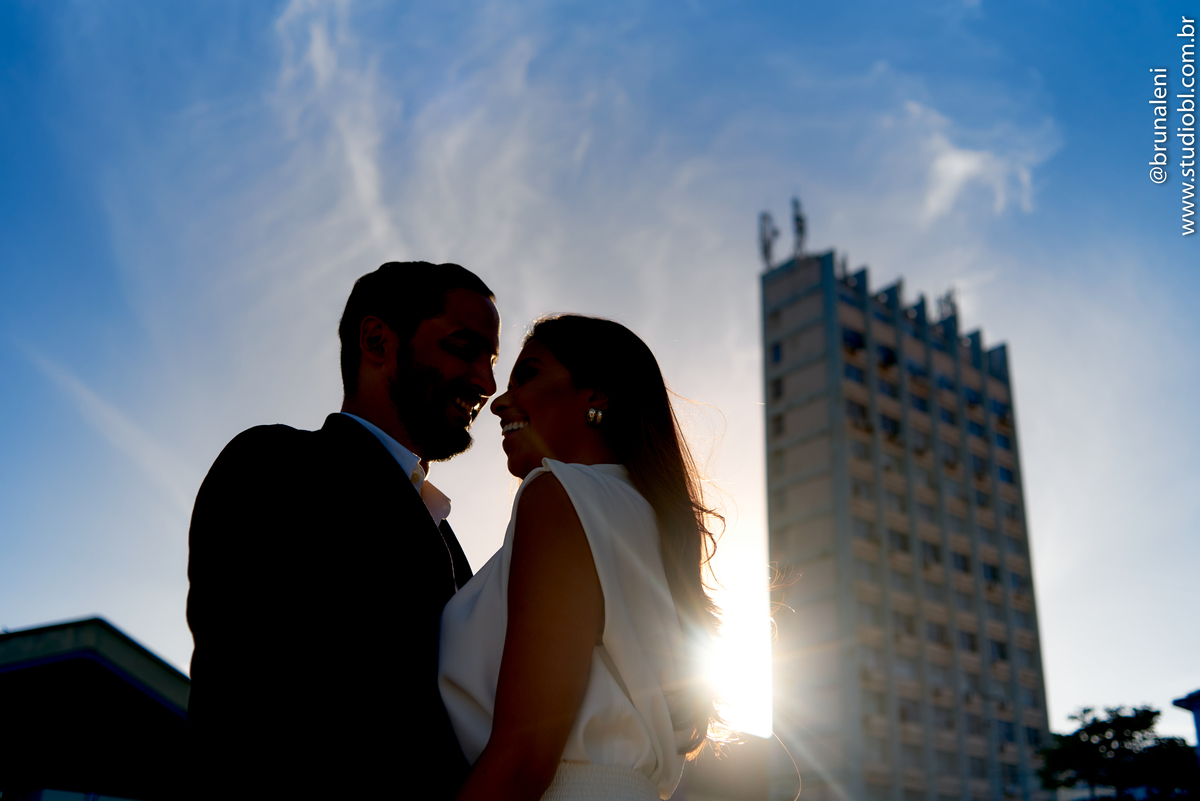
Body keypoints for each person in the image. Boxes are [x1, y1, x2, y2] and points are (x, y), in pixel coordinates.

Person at [186, 261, 500, 798]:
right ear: (377, 341)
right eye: (464, 347)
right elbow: (245, 702)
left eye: (490, 360)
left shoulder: (447, 537)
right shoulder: (275, 466)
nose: (487, 383)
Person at [439, 314, 723, 801]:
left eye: (526, 374)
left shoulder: (557, 495)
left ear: (596, 396)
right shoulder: (644, 520)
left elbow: (524, 755)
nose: (499, 402)